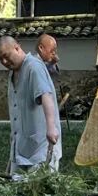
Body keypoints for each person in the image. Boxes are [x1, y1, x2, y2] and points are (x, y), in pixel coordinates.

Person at [0, 35, 59, 176]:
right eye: (0, 59)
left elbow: (45, 95)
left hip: (40, 150)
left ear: (17, 48)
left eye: (6, 56)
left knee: (40, 194)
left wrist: (51, 128)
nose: (4, 62)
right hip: (21, 149)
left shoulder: (33, 66)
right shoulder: (13, 72)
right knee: (16, 194)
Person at [36, 33, 63, 168]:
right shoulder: (34, 66)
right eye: (51, 50)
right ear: (41, 48)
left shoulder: (44, 65)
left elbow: (51, 73)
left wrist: (52, 62)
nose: (54, 53)